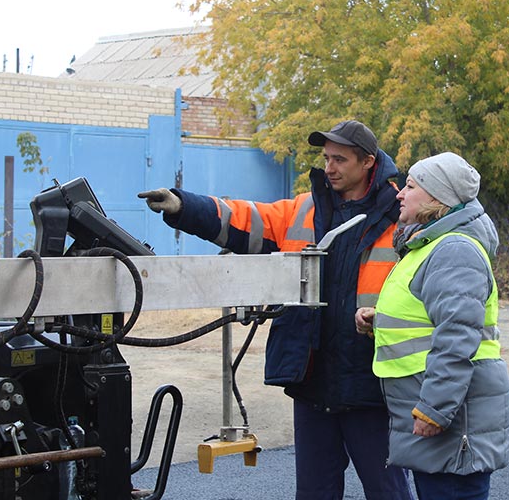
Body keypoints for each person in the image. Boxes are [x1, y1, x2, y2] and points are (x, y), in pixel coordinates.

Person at [138, 120, 413, 500]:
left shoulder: (402, 214)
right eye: (326, 158)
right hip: (312, 377)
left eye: (340, 160)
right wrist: (185, 207)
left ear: (368, 162)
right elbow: (245, 218)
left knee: (388, 491)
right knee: (314, 492)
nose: (329, 167)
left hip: (371, 382)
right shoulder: (306, 208)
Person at [355, 152, 509, 500]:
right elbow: (432, 319)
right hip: (442, 418)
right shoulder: (429, 247)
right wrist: (378, 321)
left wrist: (434, 410)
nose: (399, 193)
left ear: (436, 198)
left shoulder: (453, 250)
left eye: (410, 186)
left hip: (450, 422)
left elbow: (458, 336)